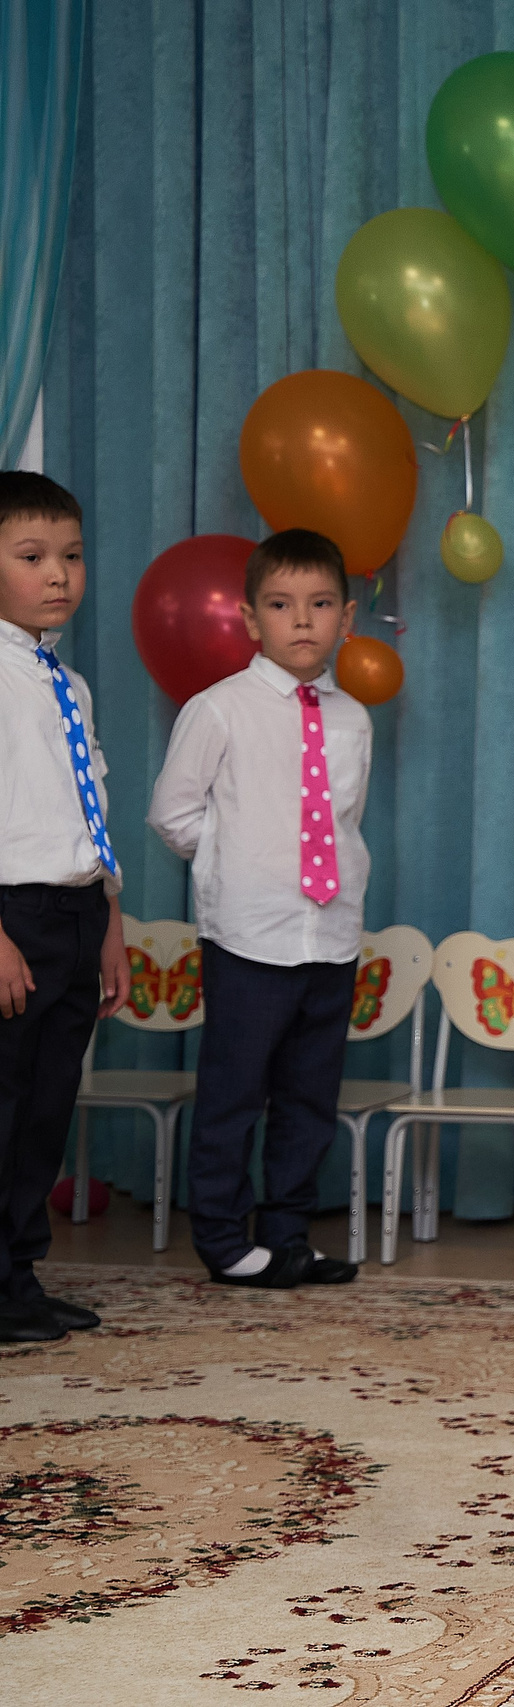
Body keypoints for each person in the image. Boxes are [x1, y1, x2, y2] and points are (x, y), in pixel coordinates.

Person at [147, 528, 372, 1288]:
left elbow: (343, 817)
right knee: (233, 1093)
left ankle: (287, 1236)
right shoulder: (218, 709)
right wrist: (233, 857)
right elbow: (173, 813)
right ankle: (221, 1238)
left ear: (346, 618)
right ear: (251, 619)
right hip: (249, 934)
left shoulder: (352, 719)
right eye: (281, 605)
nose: (301, 621)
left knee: (308, 1100)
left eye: (319, 605)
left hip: (330, 936)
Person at [0, 470, 126, 1342]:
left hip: (76, 914)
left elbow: (92, 811)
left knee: (46, 1106)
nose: (59, 575)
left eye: (72, 556)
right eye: (33, 556)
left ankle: (19, 1278)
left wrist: (111, 922)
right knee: (3, 1104)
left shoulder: (67, 683)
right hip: (13, 918)